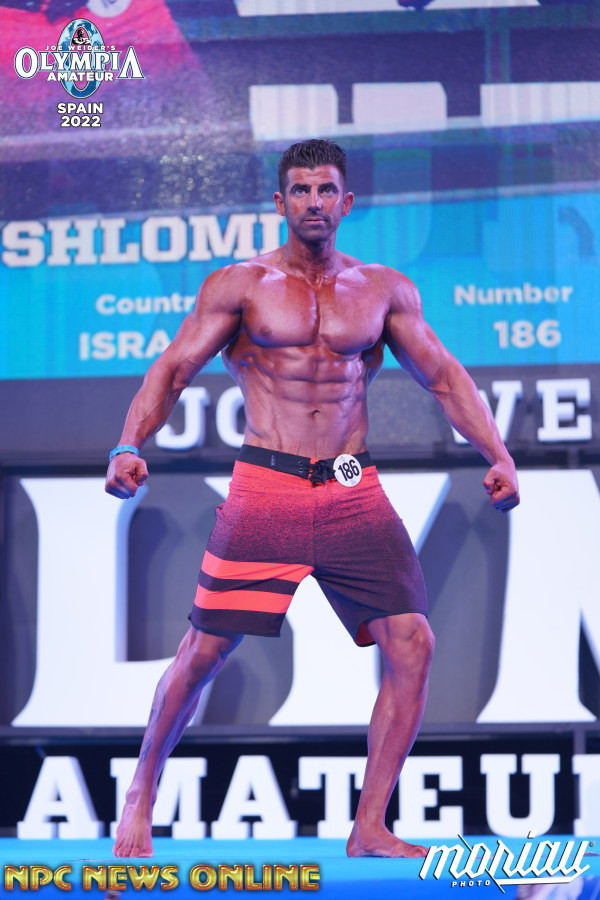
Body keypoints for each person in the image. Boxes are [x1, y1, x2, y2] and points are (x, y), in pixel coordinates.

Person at [105, 139, 519, 859]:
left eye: (326, 190)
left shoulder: (383, 289)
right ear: (280, 202)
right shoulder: (241, 285)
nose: (313, 202)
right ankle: (140, 793)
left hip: (352, 485)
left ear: (347, 202)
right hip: (268, 484)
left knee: (413, 641)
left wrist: (499, 455)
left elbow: (445, 377)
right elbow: (172, 370)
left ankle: (370, 826)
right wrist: (127, 444)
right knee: (205, 651)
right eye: (299, 190)